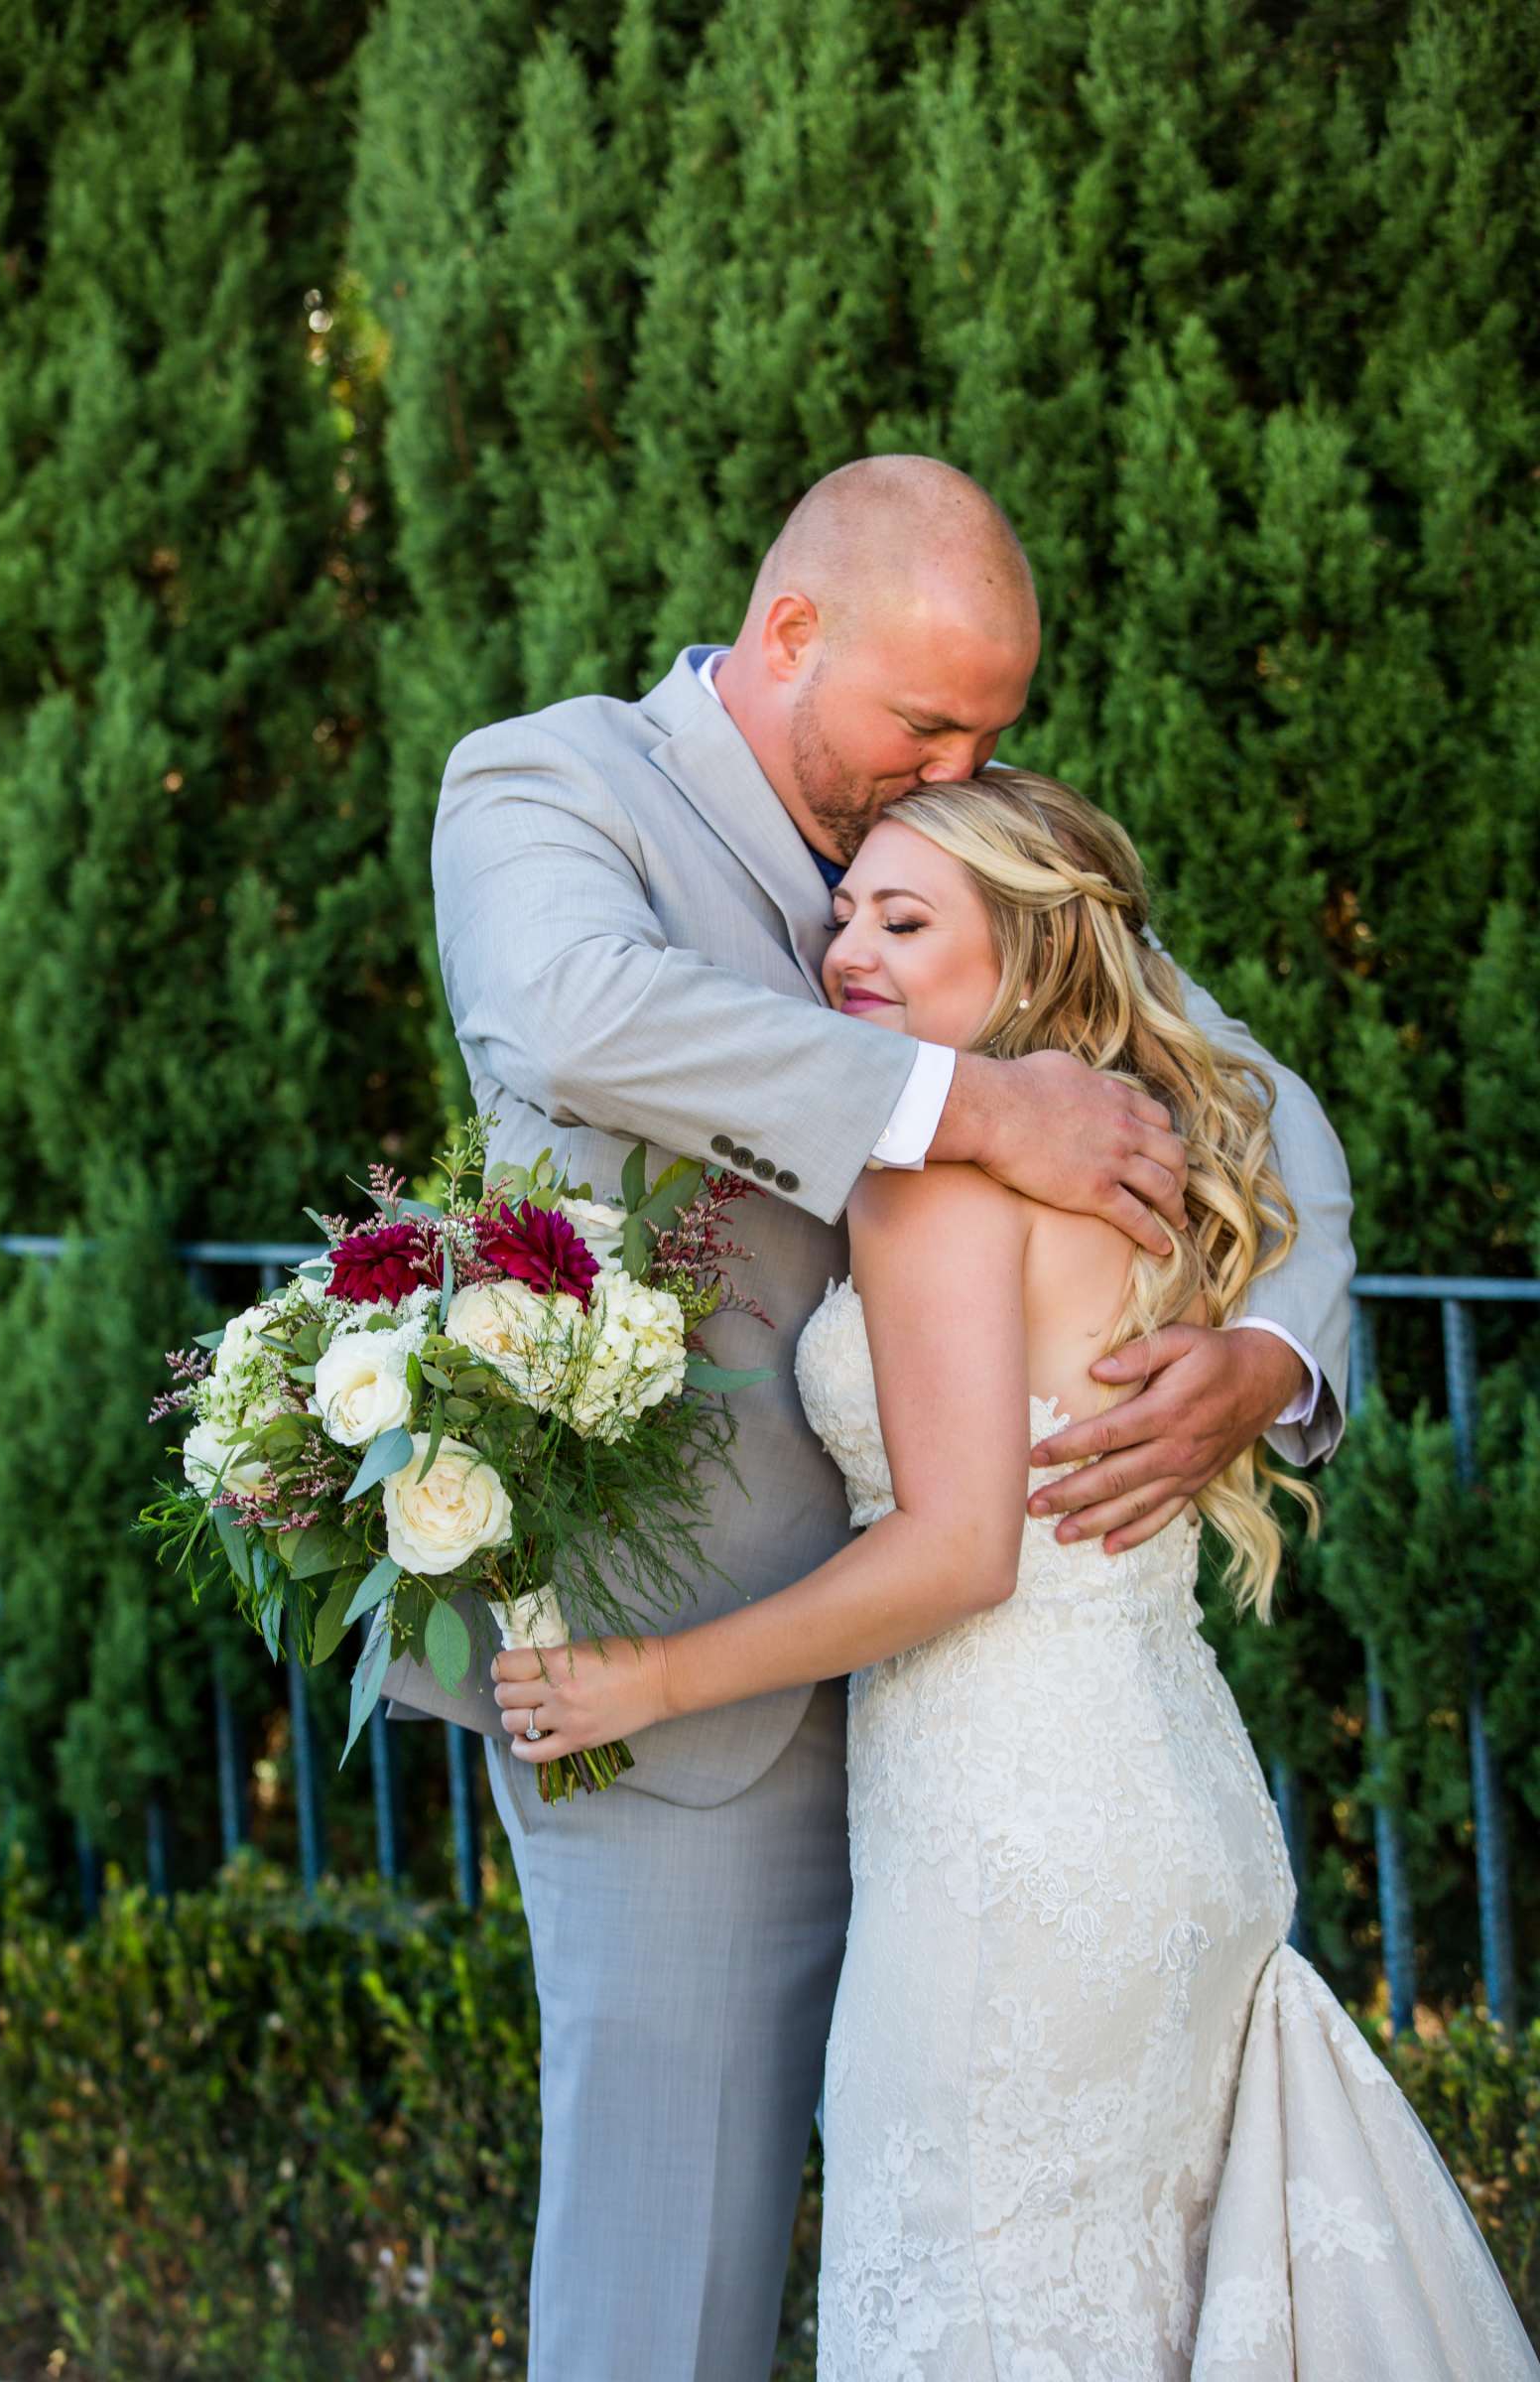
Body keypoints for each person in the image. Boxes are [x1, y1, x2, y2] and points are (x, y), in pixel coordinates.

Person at [384, 456, 1354, 2382]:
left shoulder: (951, 830)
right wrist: (970, 1106)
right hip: (676, 1687)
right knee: (674, 2296)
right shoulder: (547, 786)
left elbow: (1255, 1097)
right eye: (926, 721)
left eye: (990, 733)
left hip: (995, 1706)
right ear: (790, 629)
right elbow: (575, 1013)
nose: (954, 768)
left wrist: (1271, 1360)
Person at [495, 771, 1535, 2381]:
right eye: (846, 913)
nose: (849, 951)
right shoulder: (1146, 1164)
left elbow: (960, 1553)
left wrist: (648, 1676)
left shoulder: (934, 1169)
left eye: (907, 922)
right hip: (1176, 1822)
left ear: (1040, 955)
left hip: (1009, 1864)